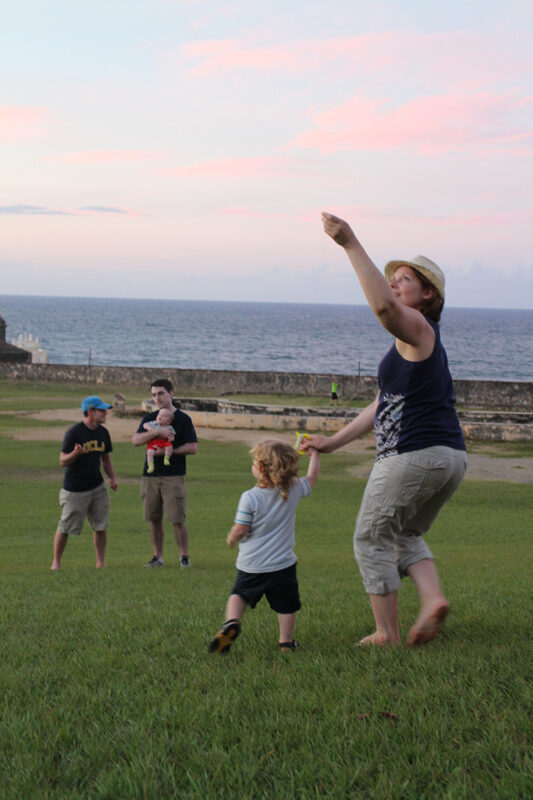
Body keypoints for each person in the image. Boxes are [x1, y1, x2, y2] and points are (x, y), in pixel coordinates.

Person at [302, 213, 467, 648]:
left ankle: (387, 633)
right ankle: (432, 602)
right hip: (450, 458)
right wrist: (332, 443)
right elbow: (381, 406)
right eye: (391, 277)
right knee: (405, 534)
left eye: (404, 279)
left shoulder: (417, 328)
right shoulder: (412, 348)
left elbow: (382, 308)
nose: (393, 283)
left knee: (370, 537)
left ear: (427, 294)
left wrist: (350, 243)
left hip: (413, 455)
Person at [209, 439, 320, 655]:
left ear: (260, 468)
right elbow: (312, 478)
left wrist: (232, 538)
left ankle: (231, 623)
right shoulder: (294, 489)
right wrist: (315, 455)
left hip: (251, 564)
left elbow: (241, 528)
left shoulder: (249, 497)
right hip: (282, 565)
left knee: (239, 595)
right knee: (286, 605)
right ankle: (286, 642)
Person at [132, 379, 197, 568]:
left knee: (177, 518)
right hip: (150, 475)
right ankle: (157, 557)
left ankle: (184, 557)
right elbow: (136, 440)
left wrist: (170, 451)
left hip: (173, 476)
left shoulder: (183, 419)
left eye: (161, 393)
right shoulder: (149, 419)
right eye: (153, 395)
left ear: (171, 394)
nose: (157, 398)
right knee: (153, 518)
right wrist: (155, 433)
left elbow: (192, 447)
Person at [51, 395, 117, 570]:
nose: (105, 413)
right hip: (75, 489)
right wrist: (75, 454)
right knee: (65, 526)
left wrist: (112, 477)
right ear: (90, 412)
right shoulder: (74, 432)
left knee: (101, 525)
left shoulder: (103, 433)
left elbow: (105, 458)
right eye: (101, 410)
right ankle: (56, 563)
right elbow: (63, 461)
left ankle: (100, 563)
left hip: (97, 486)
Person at [143, 407, 176, 473]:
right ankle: (151, 466)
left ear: (168, 421)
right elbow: (145, 424)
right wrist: (149, 428)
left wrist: (171, 438)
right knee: (149, 453)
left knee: (169, 447)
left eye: (163, 416)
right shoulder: (154, 423)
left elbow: (172, 435)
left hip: (163, 442)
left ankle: (166, 459)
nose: (160, 416)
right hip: (153, 442)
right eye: (159, 414)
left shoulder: (169, 427)